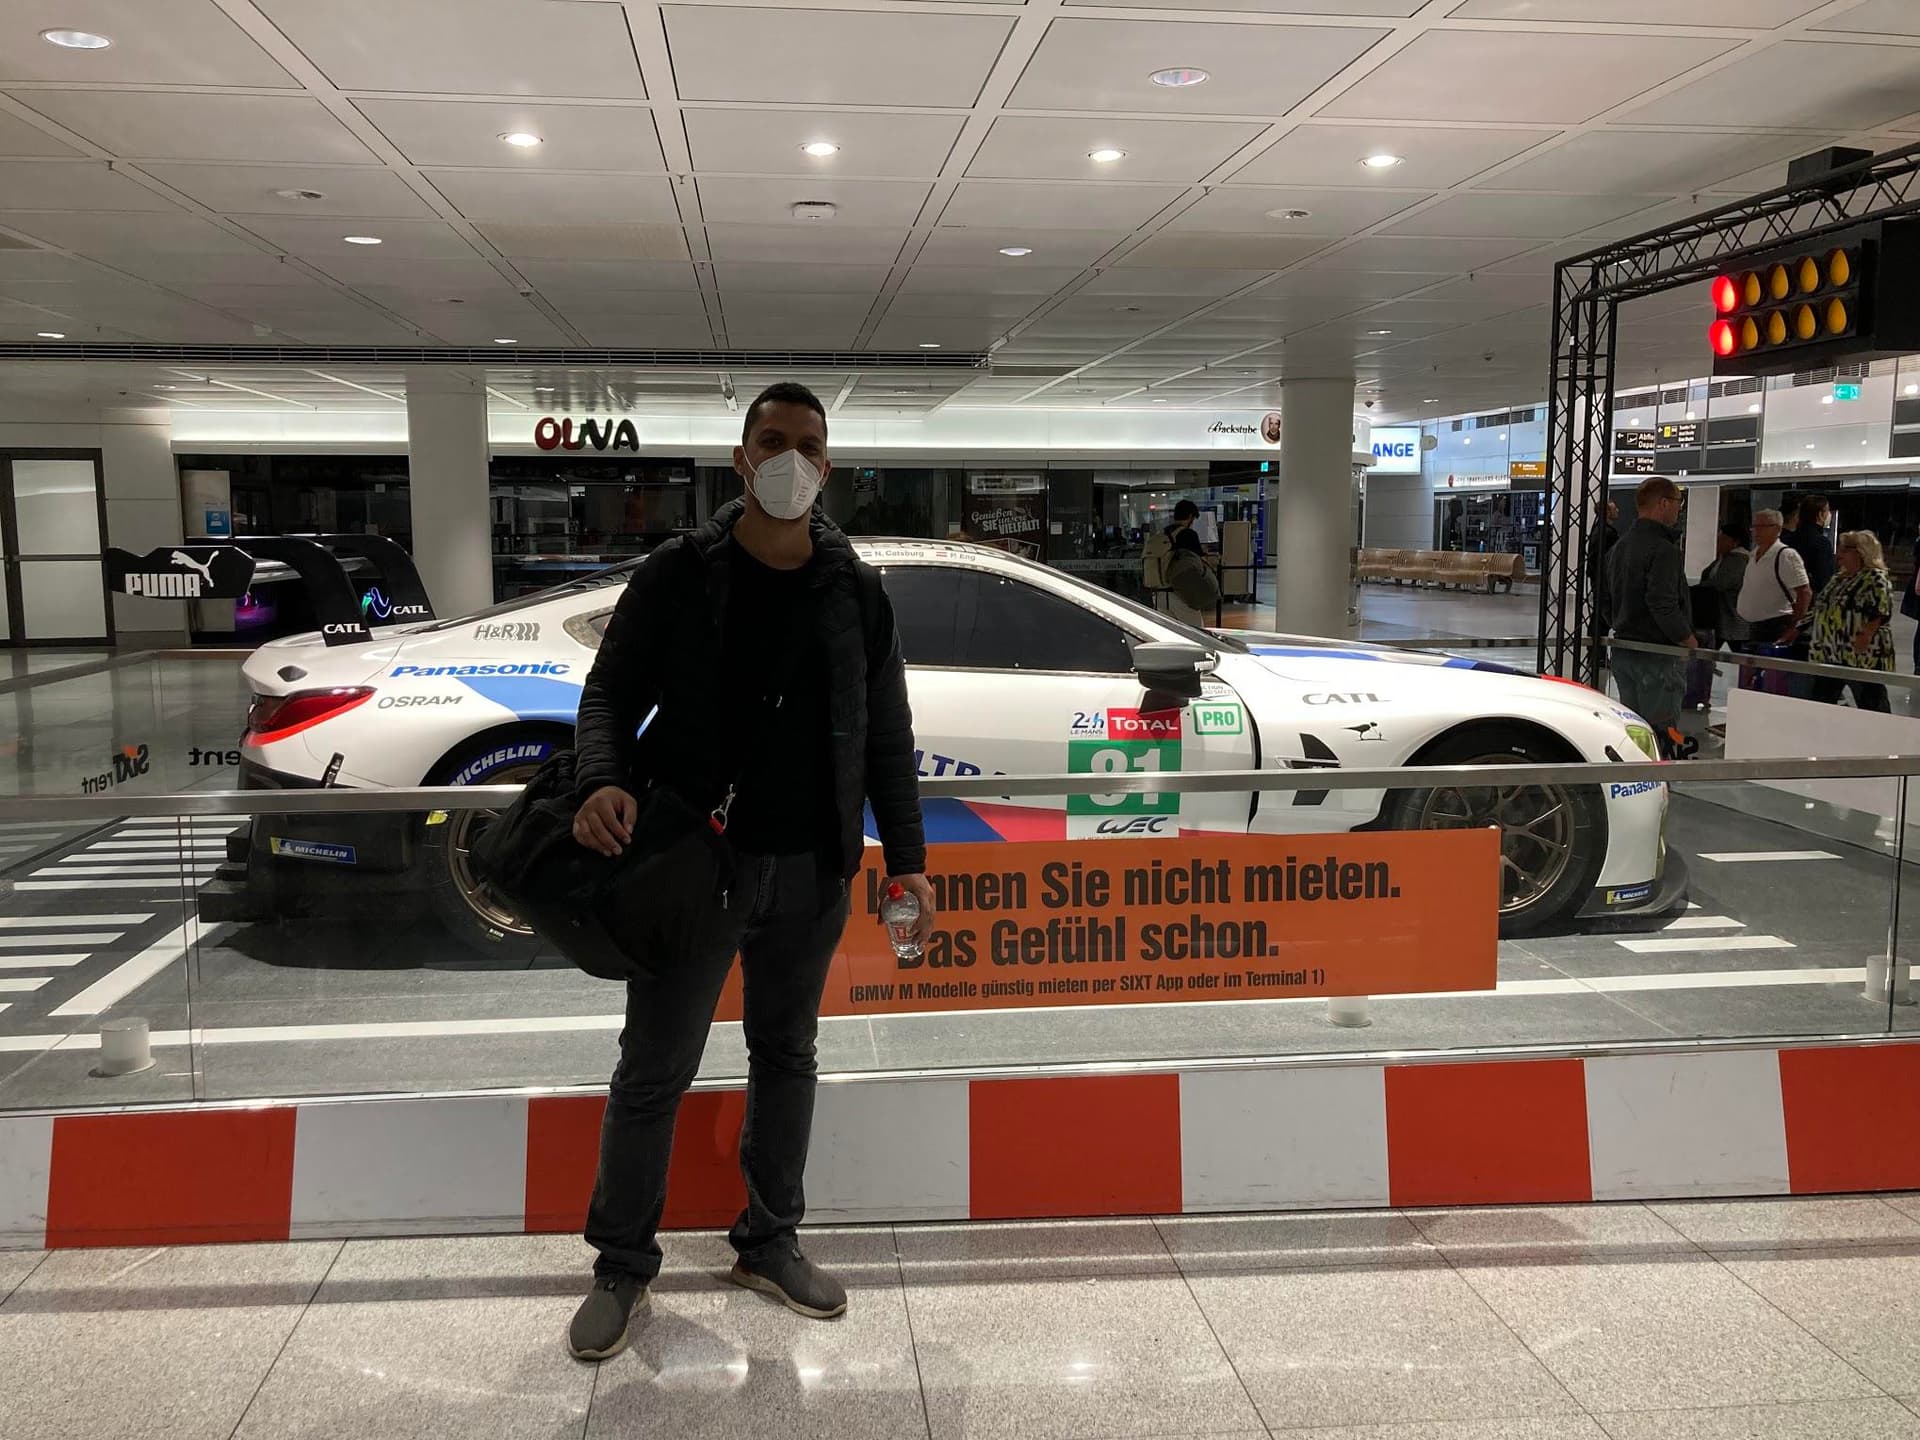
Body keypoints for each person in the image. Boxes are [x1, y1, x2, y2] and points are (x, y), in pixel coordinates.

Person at [565, 380, 935, 1362]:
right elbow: (606, 696)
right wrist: (603, 780)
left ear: (828, 466)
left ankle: (769, 1239)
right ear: (740, 459)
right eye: (772, 440)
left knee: (787, 1054)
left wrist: (908, 864)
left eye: (808, 445)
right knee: (655, 1067)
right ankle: (621, 1264)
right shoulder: (681, 574)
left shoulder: (854, 590)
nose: (790, 459)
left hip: (811, 867)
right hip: (694, 868)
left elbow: (887, 738)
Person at [1606, 477, 1694, 745]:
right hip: (1657, 656)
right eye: (1679, 503)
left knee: (1634, 729)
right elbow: (1662, 603)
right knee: (1663, 730)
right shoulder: (1664, 550)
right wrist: (1686, 639)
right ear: (1664, 503)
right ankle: (1661, 779)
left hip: (1624, 650)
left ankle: (1636, 780)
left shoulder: (1620, 547)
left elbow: (1605, 597)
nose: (1680, 509)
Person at [1808, 529, 1894, 712]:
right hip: (1830, 652)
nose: (1839, 554)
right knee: (1820, 702)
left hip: (1862, 655)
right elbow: (1820, 608)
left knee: (1872, 704)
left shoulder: (1875, 577)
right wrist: (1797, 629)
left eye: (1845, 549)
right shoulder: (1838, 578)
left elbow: (1881, 611)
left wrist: (1867, 633)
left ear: (1861, 551)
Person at [1736, 509, 1812, 652]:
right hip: (1751, 628)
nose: (1756, 531)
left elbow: (1804, 592)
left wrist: (1794, 628)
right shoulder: (1753, 555)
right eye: (1754, 526)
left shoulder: (1785, 555)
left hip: (1775, 626)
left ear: (1777, 529)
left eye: (1762, 527)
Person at [1785, 493, 1836, 594]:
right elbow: (1824, 579)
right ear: (1820, 514)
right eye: (1827, 510)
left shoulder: (1788, 538)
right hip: (1811, 597)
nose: (1829, 515)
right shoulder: (1822, 543)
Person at [1587, 497, 1620, 636]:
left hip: (1598, 578)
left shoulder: (1597, 530)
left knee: (1599, 612)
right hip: (1604, 580)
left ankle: (1594, 648)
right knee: (1602, 614)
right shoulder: (1608, 533)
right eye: (1614, 508)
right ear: (1607, 512)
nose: (1618, 510)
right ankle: (1597, 648)